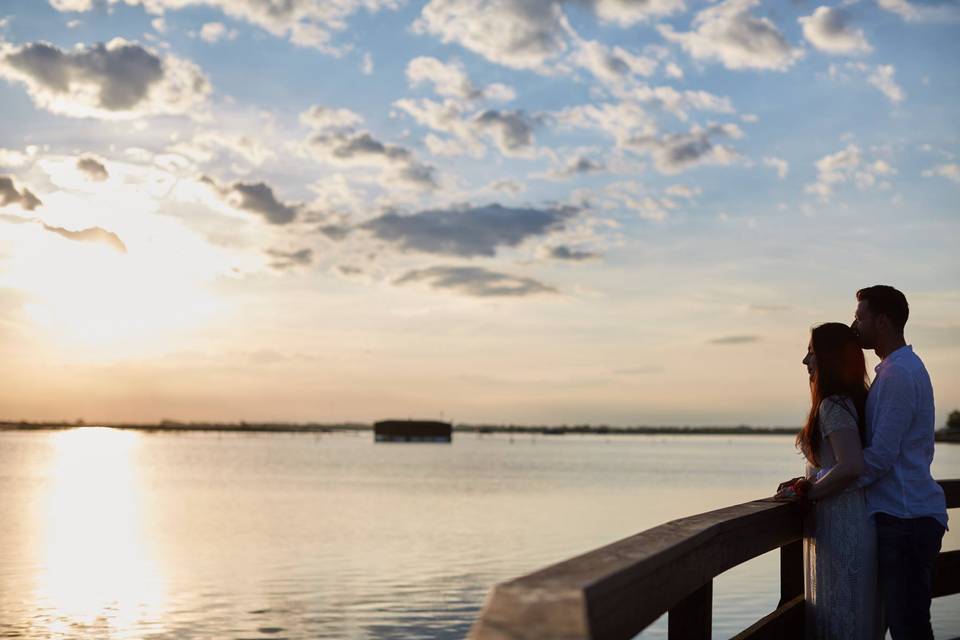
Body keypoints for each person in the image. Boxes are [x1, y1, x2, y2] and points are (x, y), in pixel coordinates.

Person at [850, 285, 947, 639]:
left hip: (906, 519)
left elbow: (880, 457)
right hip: (907, 517)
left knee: (909, 629)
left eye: (860, 316)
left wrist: (828, 484)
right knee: (909, 625)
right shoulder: (896, 370)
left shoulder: (898, 375)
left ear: (882, 321)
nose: (854, 324)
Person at [776, 322, 881, 639]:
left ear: (828, 357)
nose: (805, 361)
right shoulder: (850, 400)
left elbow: (850, 465)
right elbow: (838, 463)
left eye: (811, 353)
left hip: (841, 524)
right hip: (848, 519)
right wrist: (807, 481)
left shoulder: (833, 405)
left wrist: (806, 492)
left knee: (840, 619)